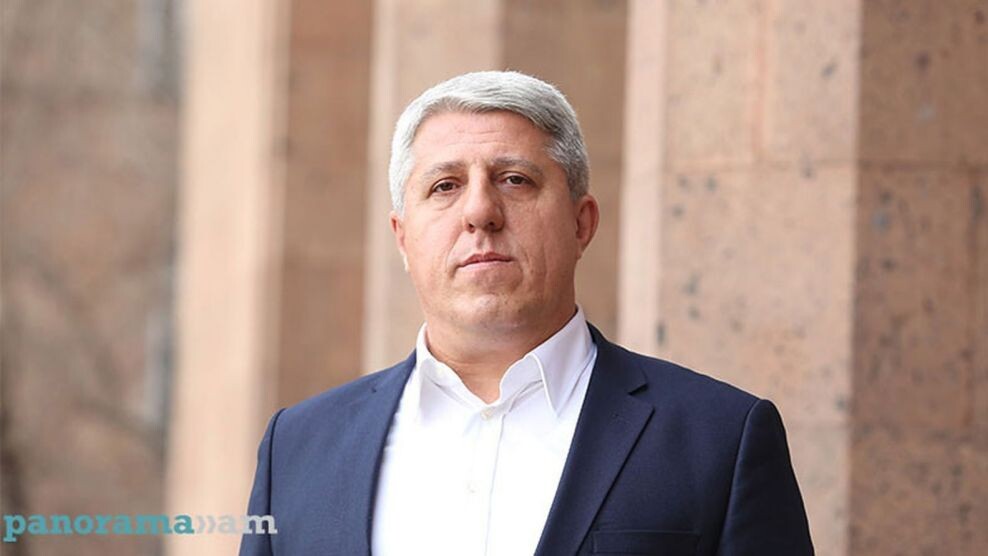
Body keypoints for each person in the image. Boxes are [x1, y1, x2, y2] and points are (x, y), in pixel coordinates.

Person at [240, 71, 814, 556]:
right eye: (445, 186)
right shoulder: (297, 449)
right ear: (403, 238)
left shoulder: (721, 438)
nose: (480, 212)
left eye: (514, 180)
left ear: (581, 224)